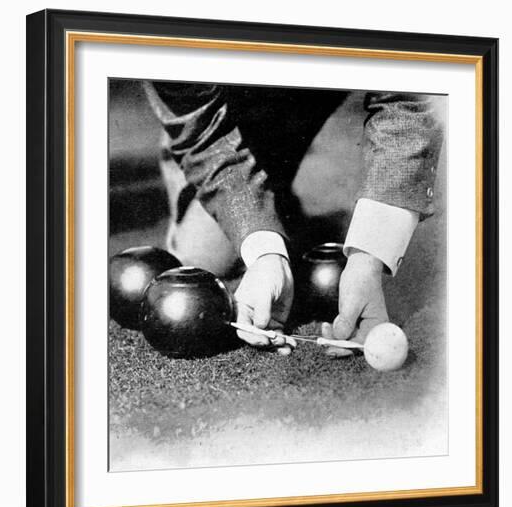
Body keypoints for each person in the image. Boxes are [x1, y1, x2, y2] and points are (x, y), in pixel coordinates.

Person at [142, 81, 443, 355]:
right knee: (207, 254)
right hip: (229, 99)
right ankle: (274, 200)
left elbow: (411, 98)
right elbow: (204, 134)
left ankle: (275, 192)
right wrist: (264, 251)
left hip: (317, 73)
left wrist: (369, 259)